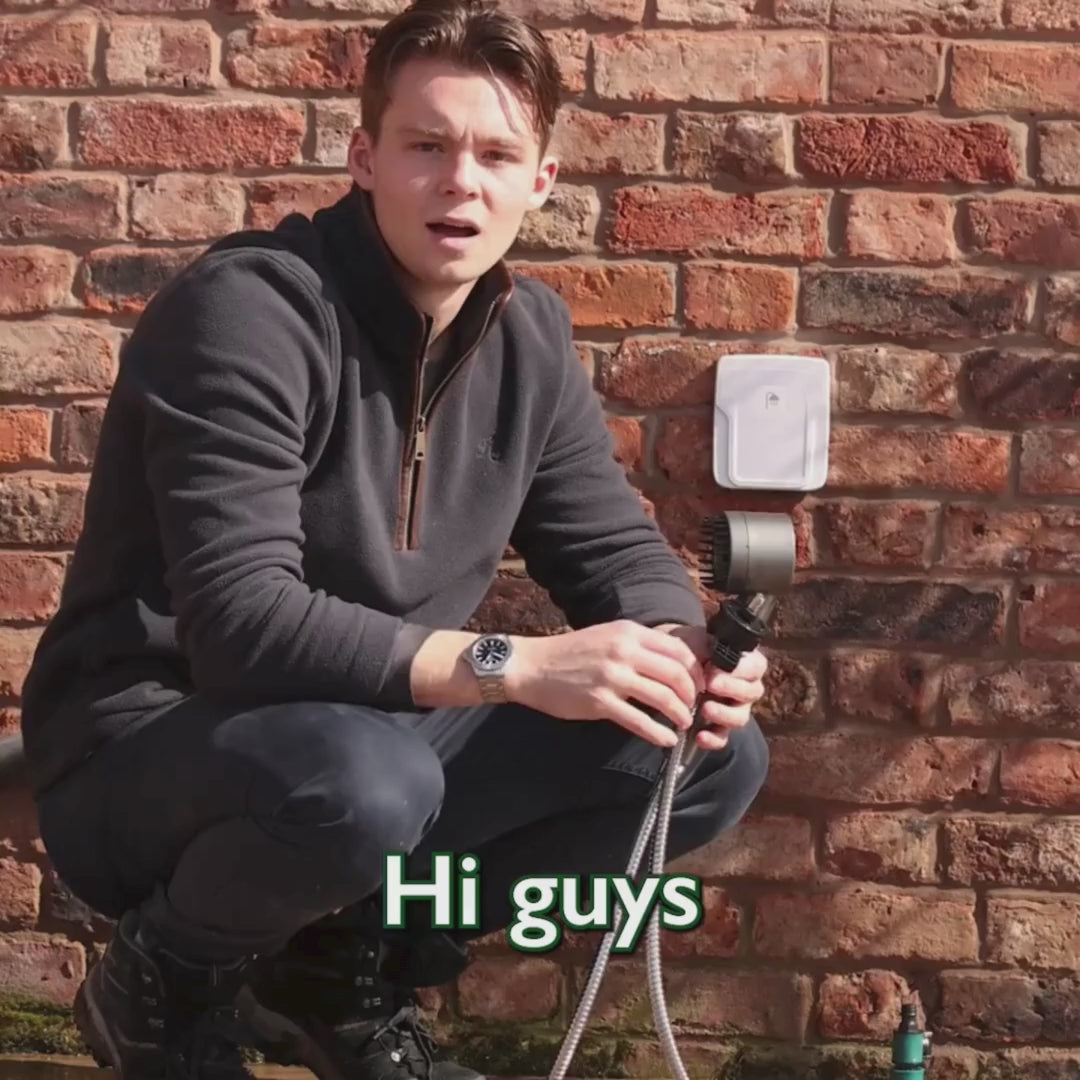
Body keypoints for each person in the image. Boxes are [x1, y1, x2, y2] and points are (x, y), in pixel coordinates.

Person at [18, 0, 771, 1077]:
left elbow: (612, 549)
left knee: (700, 754)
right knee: (367, 781)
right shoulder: (249, 311)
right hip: (153, 746)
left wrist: (680, 651)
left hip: (375, 747)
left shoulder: (529, 338)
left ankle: (335, 975)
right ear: (365, 159)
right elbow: (240, 623)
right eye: (428, 146)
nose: (461, 182)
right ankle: (161, 982)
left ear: (541, 180)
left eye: (497, 155)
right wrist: (518, 665)